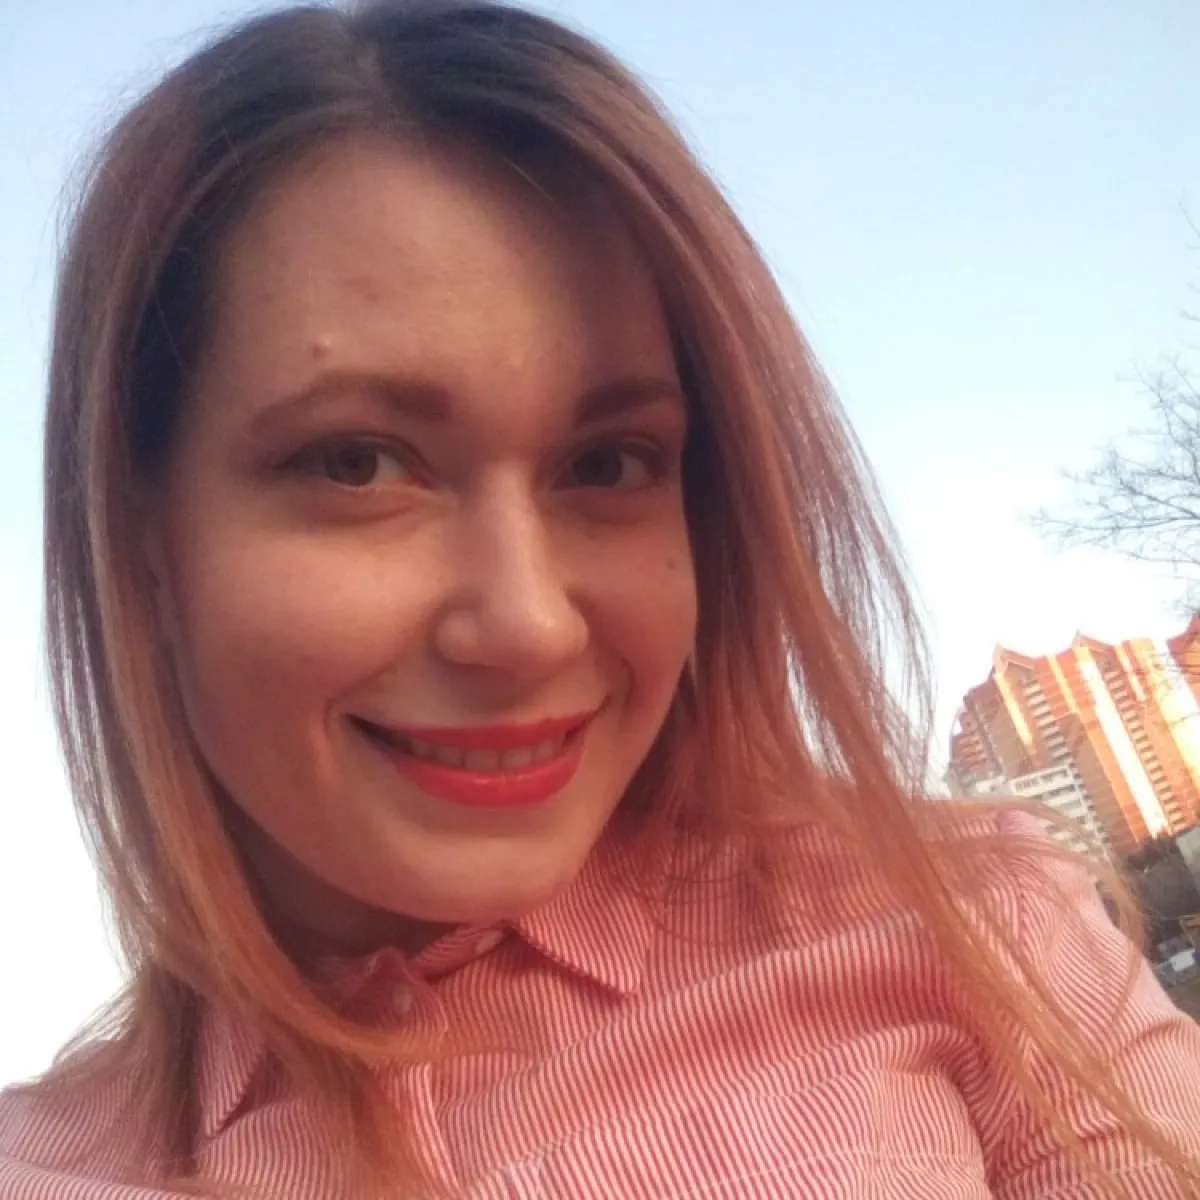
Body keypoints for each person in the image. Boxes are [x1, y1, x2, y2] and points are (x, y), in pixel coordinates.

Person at [2, 1, 1199, 1196]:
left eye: (610, 464)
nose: (530, 624)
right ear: (141, 536)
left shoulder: (973, 925)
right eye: (357, 463)